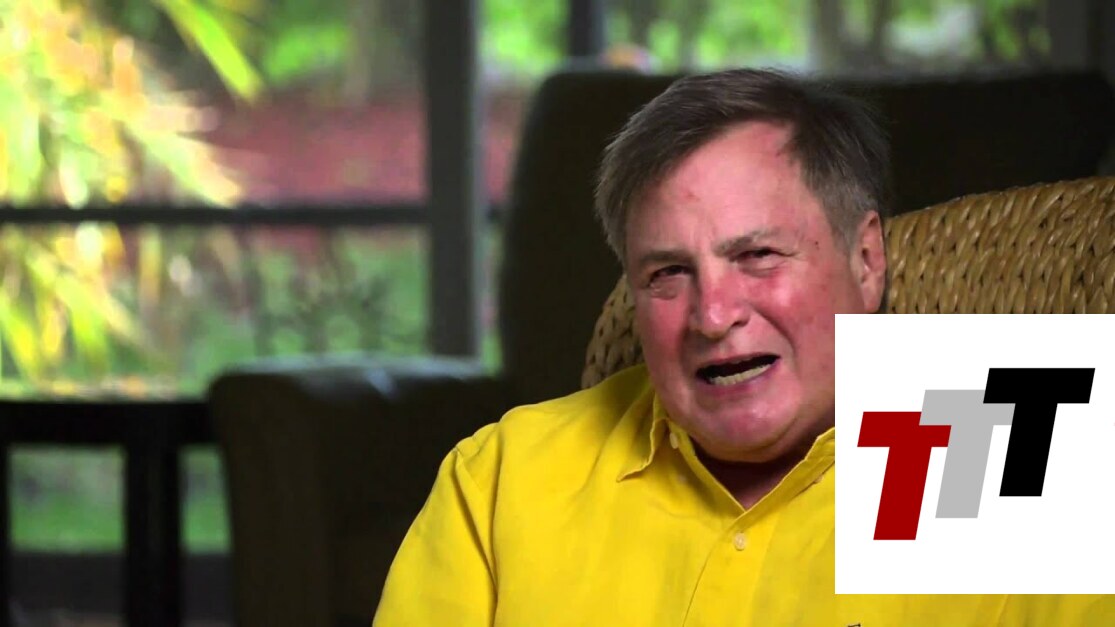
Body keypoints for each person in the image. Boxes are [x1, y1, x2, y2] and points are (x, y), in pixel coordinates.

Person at [373, 68, 1112, 625]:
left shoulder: (1016, 444)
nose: (714, 314)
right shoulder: (506, 476)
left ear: (865, 260)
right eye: (668, 272)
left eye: (757, 255)